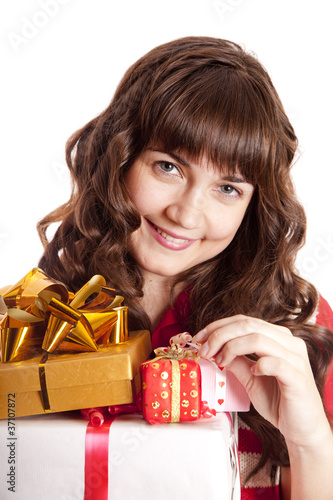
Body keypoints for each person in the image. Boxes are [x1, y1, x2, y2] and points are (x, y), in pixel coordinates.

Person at [37, 36, 333, 499]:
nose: (187, 214)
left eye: (228, 189)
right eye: (169, 167)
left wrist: (309, 440)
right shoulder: (40, 323)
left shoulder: (297, 328)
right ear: (121, 157)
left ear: (254, 205)